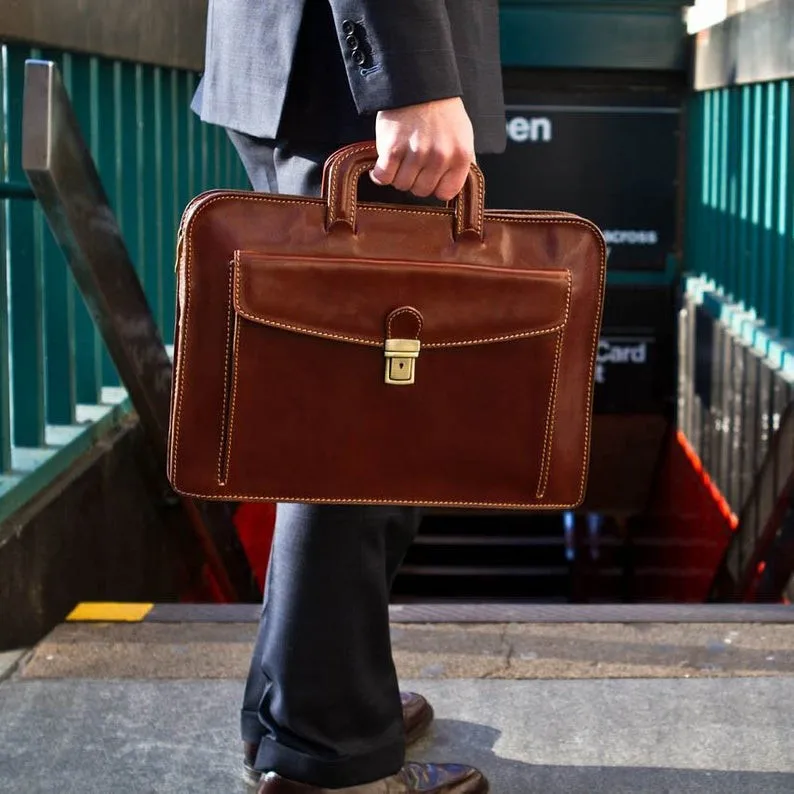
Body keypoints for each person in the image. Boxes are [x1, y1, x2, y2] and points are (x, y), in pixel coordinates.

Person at [192, 2, 506, 791]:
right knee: (363, 435)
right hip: (356, 85)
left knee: (344, 422)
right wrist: (409, 79)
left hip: (302, 69)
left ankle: (305, 699)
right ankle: (330, 749)